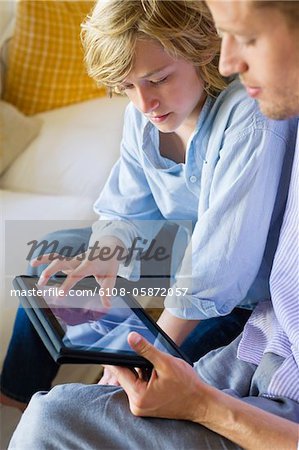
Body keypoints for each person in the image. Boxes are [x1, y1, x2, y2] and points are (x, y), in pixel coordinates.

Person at [5, 1, 299, 448]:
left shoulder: (249, 114)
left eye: (160, 79)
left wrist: (156, 346)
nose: (145, 102)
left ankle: (86, 396)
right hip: (185, 247)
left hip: (240, 285)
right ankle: (16, 396)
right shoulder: (141, 117)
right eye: (126, 86)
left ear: (199, 50)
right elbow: (123, 211)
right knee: (57, 253)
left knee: (154, 370)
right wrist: (104, 257)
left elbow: (216, 269)